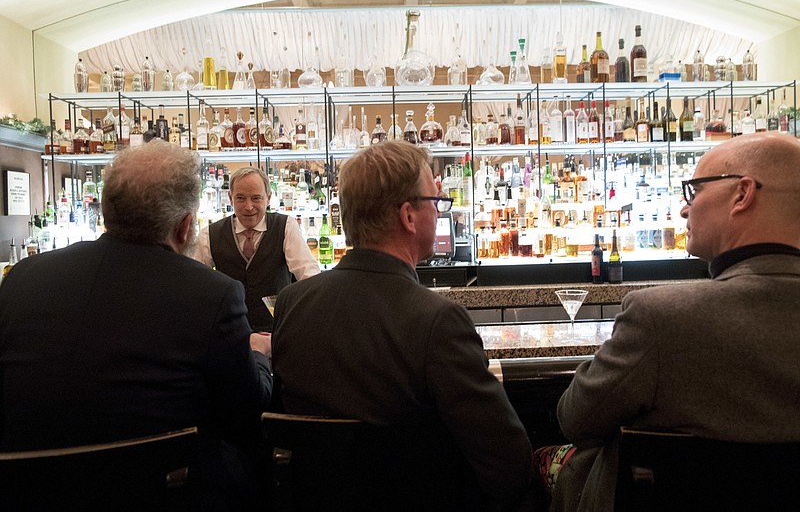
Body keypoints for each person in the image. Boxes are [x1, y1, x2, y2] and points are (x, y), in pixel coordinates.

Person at [0, 140, 273, 510]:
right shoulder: (212, 295)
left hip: (33, 492)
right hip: (167, 491)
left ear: (107, 211)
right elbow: (246, 418)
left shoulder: (23, 278)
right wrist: (259, 357)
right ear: (185, 226)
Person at [271, 140, 533, 509]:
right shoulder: (437, 320)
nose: (440, 213)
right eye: (435, 203)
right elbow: (508, 467)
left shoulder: (292, 304)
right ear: (408, 217)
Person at [550, 132, 800, 511]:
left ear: (742, 194)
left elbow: (576, 419)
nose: (685, 209)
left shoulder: (661, 319)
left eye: (694, 191)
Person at [194, 166, 319, 333]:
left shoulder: (286, 227)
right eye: (240, 198)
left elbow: (309, 277)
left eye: (256, 198)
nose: (249, 206)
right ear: (230, 198)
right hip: (229, 336)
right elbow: (195, 287)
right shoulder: (209, 234)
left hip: (278, 333)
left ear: (268, 198)